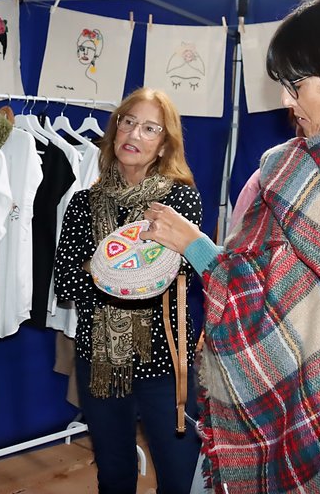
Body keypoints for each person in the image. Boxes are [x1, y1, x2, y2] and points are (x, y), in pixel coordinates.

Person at [142, 0, 320, 494]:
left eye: (296, 85)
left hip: (296, 408)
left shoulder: (303, 169)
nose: (288, 102)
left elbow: (264, 314)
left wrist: (197, 245)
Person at [53, 86, 203, 494]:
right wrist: (129, 270)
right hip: (99, 361)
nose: (134, 135)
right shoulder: (83, 203)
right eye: (128, 122)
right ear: (115, 129)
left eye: (149, 128)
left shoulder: (179, 203)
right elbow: (65, 281)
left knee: (178, 475)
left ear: (163, 145)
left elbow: (167, 277)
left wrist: (100, 266)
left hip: (164, 362)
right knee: (114, 472)